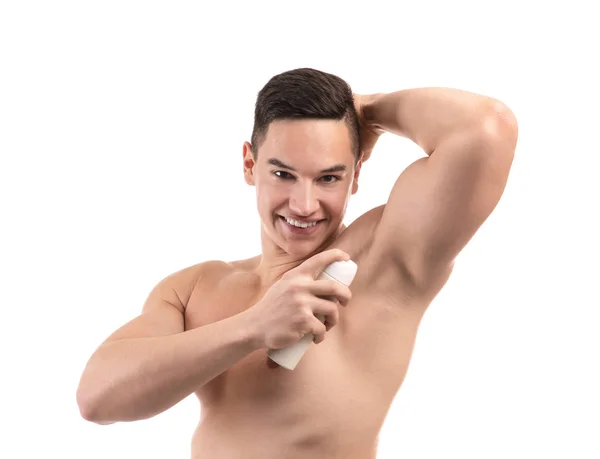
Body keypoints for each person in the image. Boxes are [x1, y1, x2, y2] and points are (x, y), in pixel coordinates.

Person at [76, 68, 518, 458]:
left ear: (357, 175)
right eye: (283, 174)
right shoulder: (193, 287)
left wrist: (364, 111)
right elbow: (97, 398)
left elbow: (485, 128)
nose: (304, 204)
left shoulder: (380, 262)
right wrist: (253, 327)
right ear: (250, 165)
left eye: (328, 177)